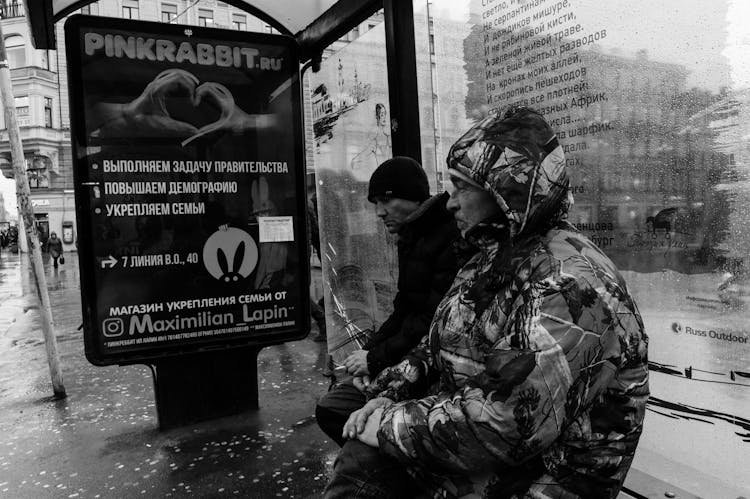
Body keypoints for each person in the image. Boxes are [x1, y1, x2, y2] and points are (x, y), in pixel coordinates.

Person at [323, 108, 650, 498]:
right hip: (487, 464)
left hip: (540, 480)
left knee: (363, 465)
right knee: (359, 454)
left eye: (463, 188)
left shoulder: (568, 284)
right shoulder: (493, 256)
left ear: (506, 192)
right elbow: (437, 343)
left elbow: (505, 423)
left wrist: (387, 423)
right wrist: (387, 394)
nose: (449, 203)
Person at [316, 156, 469, 447]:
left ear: (411, 197)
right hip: (407, 359)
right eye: (374, 203)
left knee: (336, 411)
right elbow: (404, 306)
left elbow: (430, 319)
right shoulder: (412, 236)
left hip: (430, 370)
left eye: (385, 201)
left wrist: (376, 360)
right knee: (333, 407)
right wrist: (369, 355)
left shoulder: (448, 238)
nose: (378, 213)